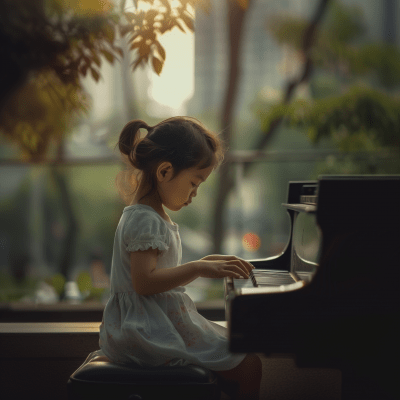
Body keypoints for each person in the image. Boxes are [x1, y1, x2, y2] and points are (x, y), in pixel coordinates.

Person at [98, 117, 262, 399]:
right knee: (249, 365)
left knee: (238, 351)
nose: (194, 194)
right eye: (194, 183)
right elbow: (144, 282)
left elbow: (162, 270)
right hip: (144, 331)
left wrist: (211, 261)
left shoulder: (150, 215)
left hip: (149, 324)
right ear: (164, 171)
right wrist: (198, 267)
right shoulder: (144, 219)